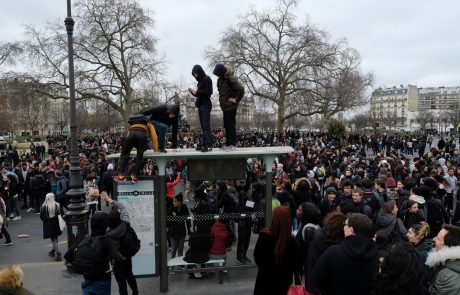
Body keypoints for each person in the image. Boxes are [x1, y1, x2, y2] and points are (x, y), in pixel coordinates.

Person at [311, 213, 379, 295]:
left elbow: (315, 280)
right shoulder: (379, 257)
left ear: (351, 230)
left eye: (345, 225)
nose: (343, 227)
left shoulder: (333, 252)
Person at [65, 212, 125, 295]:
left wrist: (84, 267)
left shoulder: (85, 237)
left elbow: (68, 256)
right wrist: (113, 268)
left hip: (87, 280)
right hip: (102, 280)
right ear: (104, 225)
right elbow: (119, 259)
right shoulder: (106, 241)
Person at [253, 206, 302, 295]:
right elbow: (297, 266)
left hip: (264, 284)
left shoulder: (265, 237)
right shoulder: (293, 243)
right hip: (284, 286)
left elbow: (257, 258)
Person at [102, 192, 139, 295]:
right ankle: (135, 291)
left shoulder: (108, 235)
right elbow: (122, 207)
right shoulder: (125, 223)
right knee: (130, 275)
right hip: (127, 257)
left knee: (121, 282)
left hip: (117, 261)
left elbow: (108, 252)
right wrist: (109, 200)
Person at [115, 114, 158, 182]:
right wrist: (155, 149)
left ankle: (121, 174)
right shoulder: (148, 122)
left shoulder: (132, 124)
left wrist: (126, 147)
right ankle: (135, 175)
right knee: (139, 156)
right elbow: (154, 136)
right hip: (142, 135)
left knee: (124, 154)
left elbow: (128, 135)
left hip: (131, 135)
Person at [212, 63, 245, 150]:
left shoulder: (231, 78)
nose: (218, 76)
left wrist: (236, 99)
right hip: (224, 106)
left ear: (223, 72)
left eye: (218, 74)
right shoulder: (220, 79)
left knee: (231, 125)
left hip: (231, 106)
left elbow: (241, 89)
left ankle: (233, 144)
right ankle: (228, 144)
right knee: (226, 125)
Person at [426, 224, 460, 294]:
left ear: (448, 247)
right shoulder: (447, 262)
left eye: (438, 238)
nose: (433, 239)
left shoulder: (445, 276)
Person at [187, 64, 213, 152]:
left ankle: (209, 145)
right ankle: (204, 144)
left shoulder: (207, 79)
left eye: (196, 73)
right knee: (203, 126)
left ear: (199, 71)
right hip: (201, 105)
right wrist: (192, 93)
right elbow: (199, 94)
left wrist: (197, 93)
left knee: (206, 125)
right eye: (194, 74)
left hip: (206, 104)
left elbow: (209, 92)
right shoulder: (199, 82)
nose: (195, 76)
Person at [40, 193, 64, 261]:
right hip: (56, 223)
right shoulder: (57, 205)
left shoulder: (44, 206)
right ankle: (53, 251)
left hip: (48, 224)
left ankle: (58, 253)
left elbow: (42, 217)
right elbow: (62, 213)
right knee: (55, 237)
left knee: (53, 239)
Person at [167, 193, 190, 259]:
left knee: (180, 249)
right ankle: (172, 263)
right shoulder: (171, 208)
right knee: (173, 249)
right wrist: (167, 228)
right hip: (173, 232)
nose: (174, 203)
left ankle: (180, 264)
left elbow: (187, 219)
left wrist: (189, 231)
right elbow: (168, 220)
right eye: (173, 201)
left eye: (175, 201)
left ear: (180, 201)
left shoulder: (184, 207)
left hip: (181, 232)